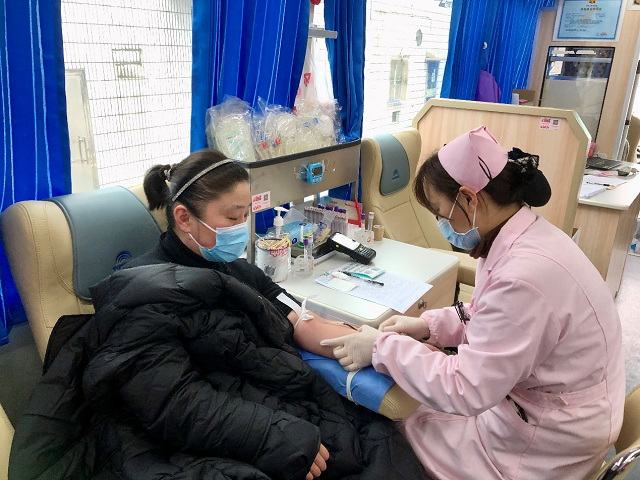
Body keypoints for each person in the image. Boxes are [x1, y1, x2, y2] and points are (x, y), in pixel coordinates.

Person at [9, 149, 429, 480]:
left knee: (374, 445)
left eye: (246, 215)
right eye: (232, 217)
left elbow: (298, 319)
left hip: (263, 401)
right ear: (183, 218)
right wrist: (273, 434)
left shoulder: (236, 270)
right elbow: (175, 402)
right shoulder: (142, 290)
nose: (241, 229)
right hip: (202, 431)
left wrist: (374, 345)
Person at [321, 126, 625, 479]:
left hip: (547, 439)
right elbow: (487, 314)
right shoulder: (520, 235)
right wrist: (427, 326)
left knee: (395, 430)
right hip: (555, 404)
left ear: (469, 199)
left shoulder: (524, 276)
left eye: (440, 212)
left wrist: (381, 348)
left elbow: (465, 389)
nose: (440, 223)